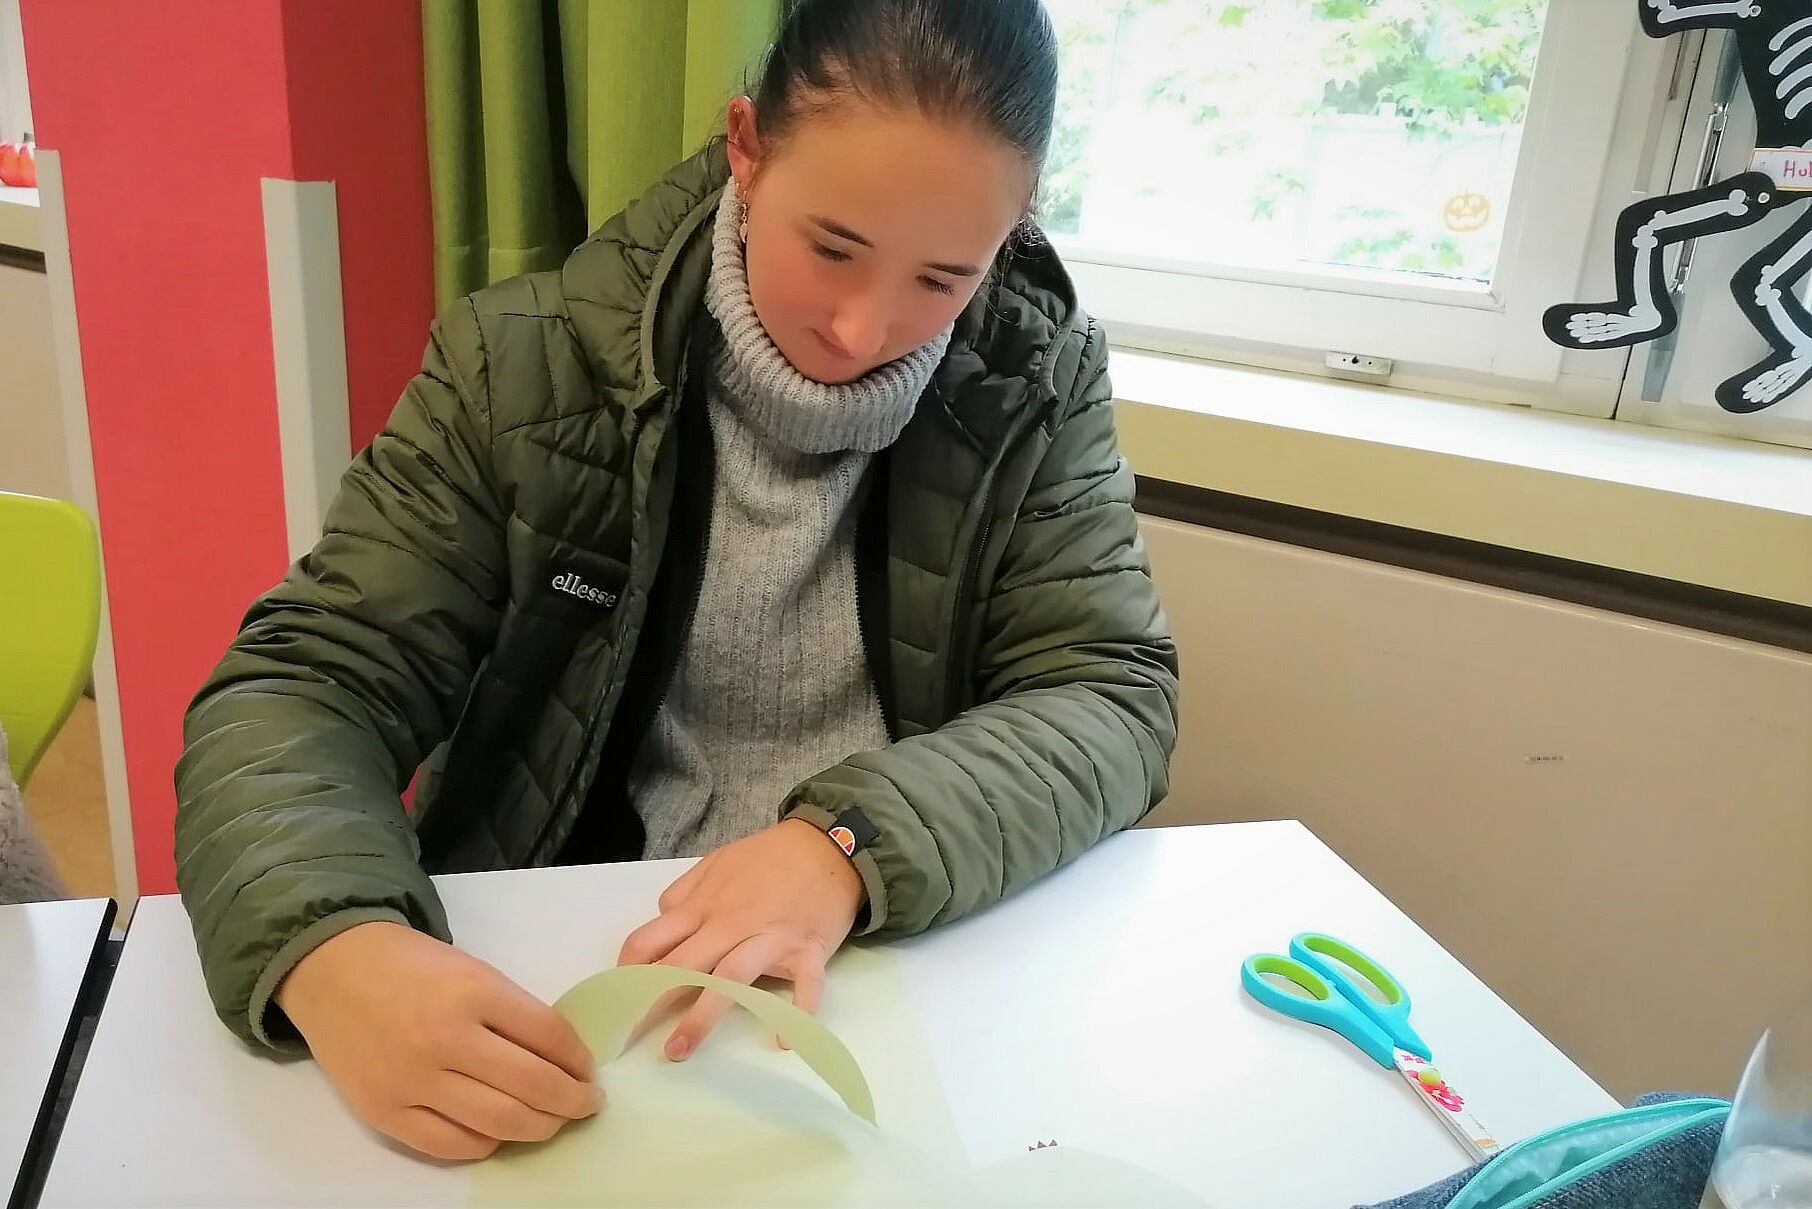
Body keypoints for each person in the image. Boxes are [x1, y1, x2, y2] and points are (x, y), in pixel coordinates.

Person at [175, 0, 1178, 1163]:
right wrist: (331, 944)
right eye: (834, 248)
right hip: (575, 959)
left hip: (892, 951)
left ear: (1010, 237)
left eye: (942, 278)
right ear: (745, 149)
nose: (865, 328)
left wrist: (846, 846)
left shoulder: (1037, 386)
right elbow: (305, 687)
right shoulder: (518, 368)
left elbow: (1110, 694)